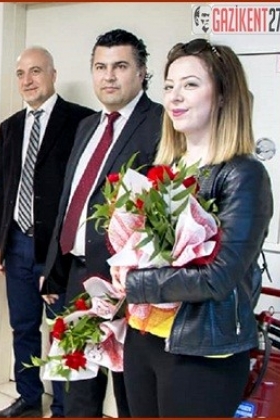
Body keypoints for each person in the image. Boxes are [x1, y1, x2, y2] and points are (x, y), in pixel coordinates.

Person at [114, 39, 272, 418]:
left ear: (223, 95)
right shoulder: (165, 169)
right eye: (169, 86)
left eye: (190, 84)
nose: (175, 97)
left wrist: (135, 284)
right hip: (145, 338)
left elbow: (219, 278)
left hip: (201, 353)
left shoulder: (243, 174)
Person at [40, 29, 164, 418]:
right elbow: (70, 202)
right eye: (100, 67)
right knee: (78, 388)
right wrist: (54, 270)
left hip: (129, 285)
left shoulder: (162, 125)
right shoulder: (88, 126)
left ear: (142, 72)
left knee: (131, 394)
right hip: (78, 277)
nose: (108, 76)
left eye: (120, 66)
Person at [0, 47, 94, 419]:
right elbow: (3, 186)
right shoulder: (10, 126)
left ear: (53, 74)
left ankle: (64, 407)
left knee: (64, 329)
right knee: (23, 327)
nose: (28, 80)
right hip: (17, 243)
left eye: (36, 71)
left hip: (58, 248)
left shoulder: (82, 121)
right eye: (21, 74)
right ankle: (29, 397)